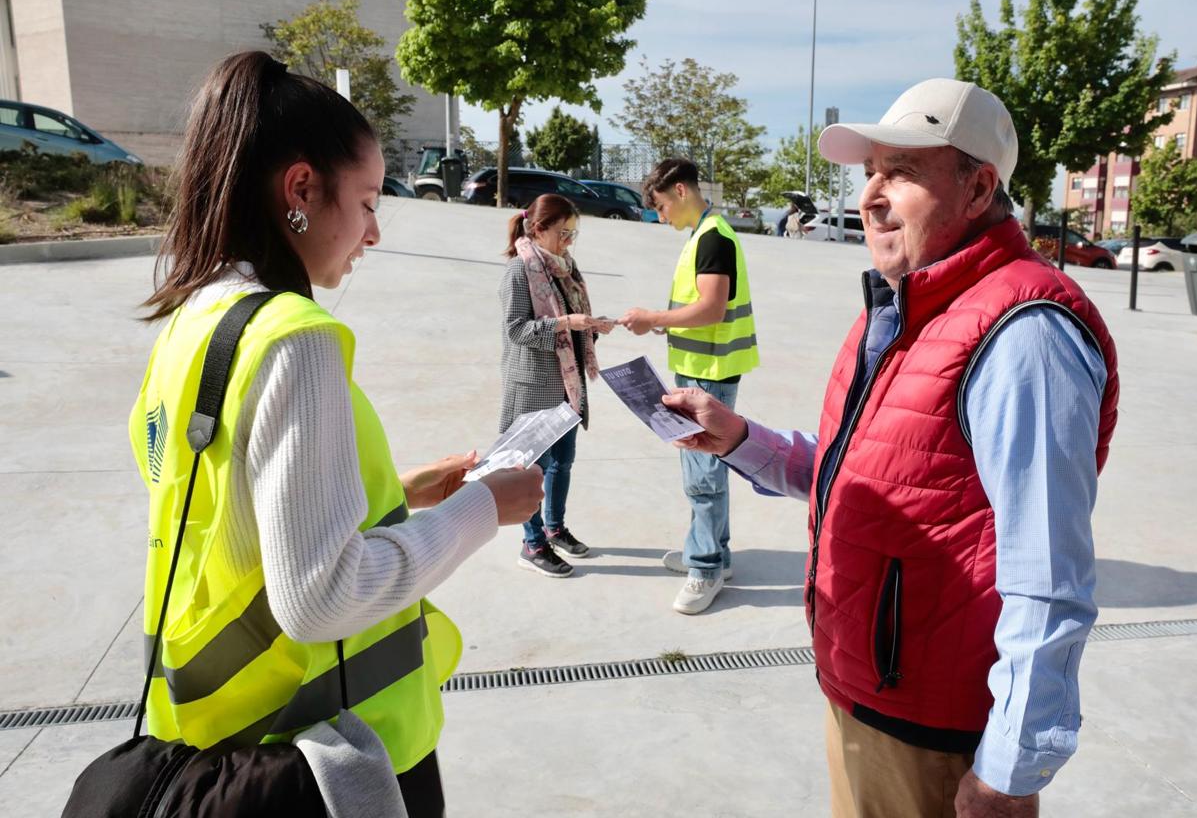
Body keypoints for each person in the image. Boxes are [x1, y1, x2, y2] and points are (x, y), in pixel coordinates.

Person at [663, 78, 1119, 817]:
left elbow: (1050, 575)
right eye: (869, 170)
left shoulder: (1024, 334)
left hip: (936, 736)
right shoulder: (908, 307)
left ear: (978, 189)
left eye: (901, 171)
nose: (870, 193)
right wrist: (741, 440)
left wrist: (1011, 769)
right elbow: (873, 473)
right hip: (866, 694)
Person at [129, 51, 543, 817]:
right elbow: (321, 597)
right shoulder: (297, 337)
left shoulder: (194, 320)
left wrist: (401, 491)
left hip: (218, 735)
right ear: (299, 190)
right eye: (368, 200)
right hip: (325, 748)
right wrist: (485, 508)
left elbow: (225, 505)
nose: (375, 231)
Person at [618, 158, 760, 615]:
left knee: (702, 475)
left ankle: (704, 569)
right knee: (709, 467)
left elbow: (712, 308)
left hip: (710, 372)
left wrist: (652, 319)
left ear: (680, 191)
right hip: (703, 364)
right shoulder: (706, 233)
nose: (661, 217)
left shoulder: (713, 237)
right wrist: (666, 325)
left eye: (660, 207)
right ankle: (715, 553)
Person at [500, 193, 614, 578]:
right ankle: (532, 544)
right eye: (563, 232)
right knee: (533, 468)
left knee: (562, 462)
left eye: (573, 233)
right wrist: (566, 325)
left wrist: (592, 327)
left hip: (567, 383)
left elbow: (573, 318)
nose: (568, 240)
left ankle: (554, 526)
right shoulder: (520, 271)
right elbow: (516, 329)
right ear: (538, 229)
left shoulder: (565, 268)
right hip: (534, 386)